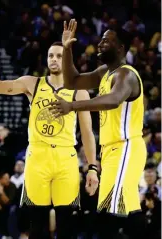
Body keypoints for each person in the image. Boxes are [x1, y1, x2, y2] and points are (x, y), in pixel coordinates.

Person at [0, 29, 99, 238]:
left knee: (66, 224)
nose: (54, 59)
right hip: (38, 156)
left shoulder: (78, 90)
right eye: (51, 55)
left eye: (59, 55)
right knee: (37, 224)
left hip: (66, 157)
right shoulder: (32, 83)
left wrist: (92, 167)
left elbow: (87, 132)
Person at [51, 19, 146, 239]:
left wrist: (72, 106)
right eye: (101, 39)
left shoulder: (126, 74)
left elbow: (113, 100)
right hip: (111, 152)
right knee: (127, 213)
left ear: (121, 47)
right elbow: (71, 81)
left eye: (107, 41)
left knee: (109, 215)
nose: (101, 44)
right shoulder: (105, 72)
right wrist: (66, 49)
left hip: (126, 147)